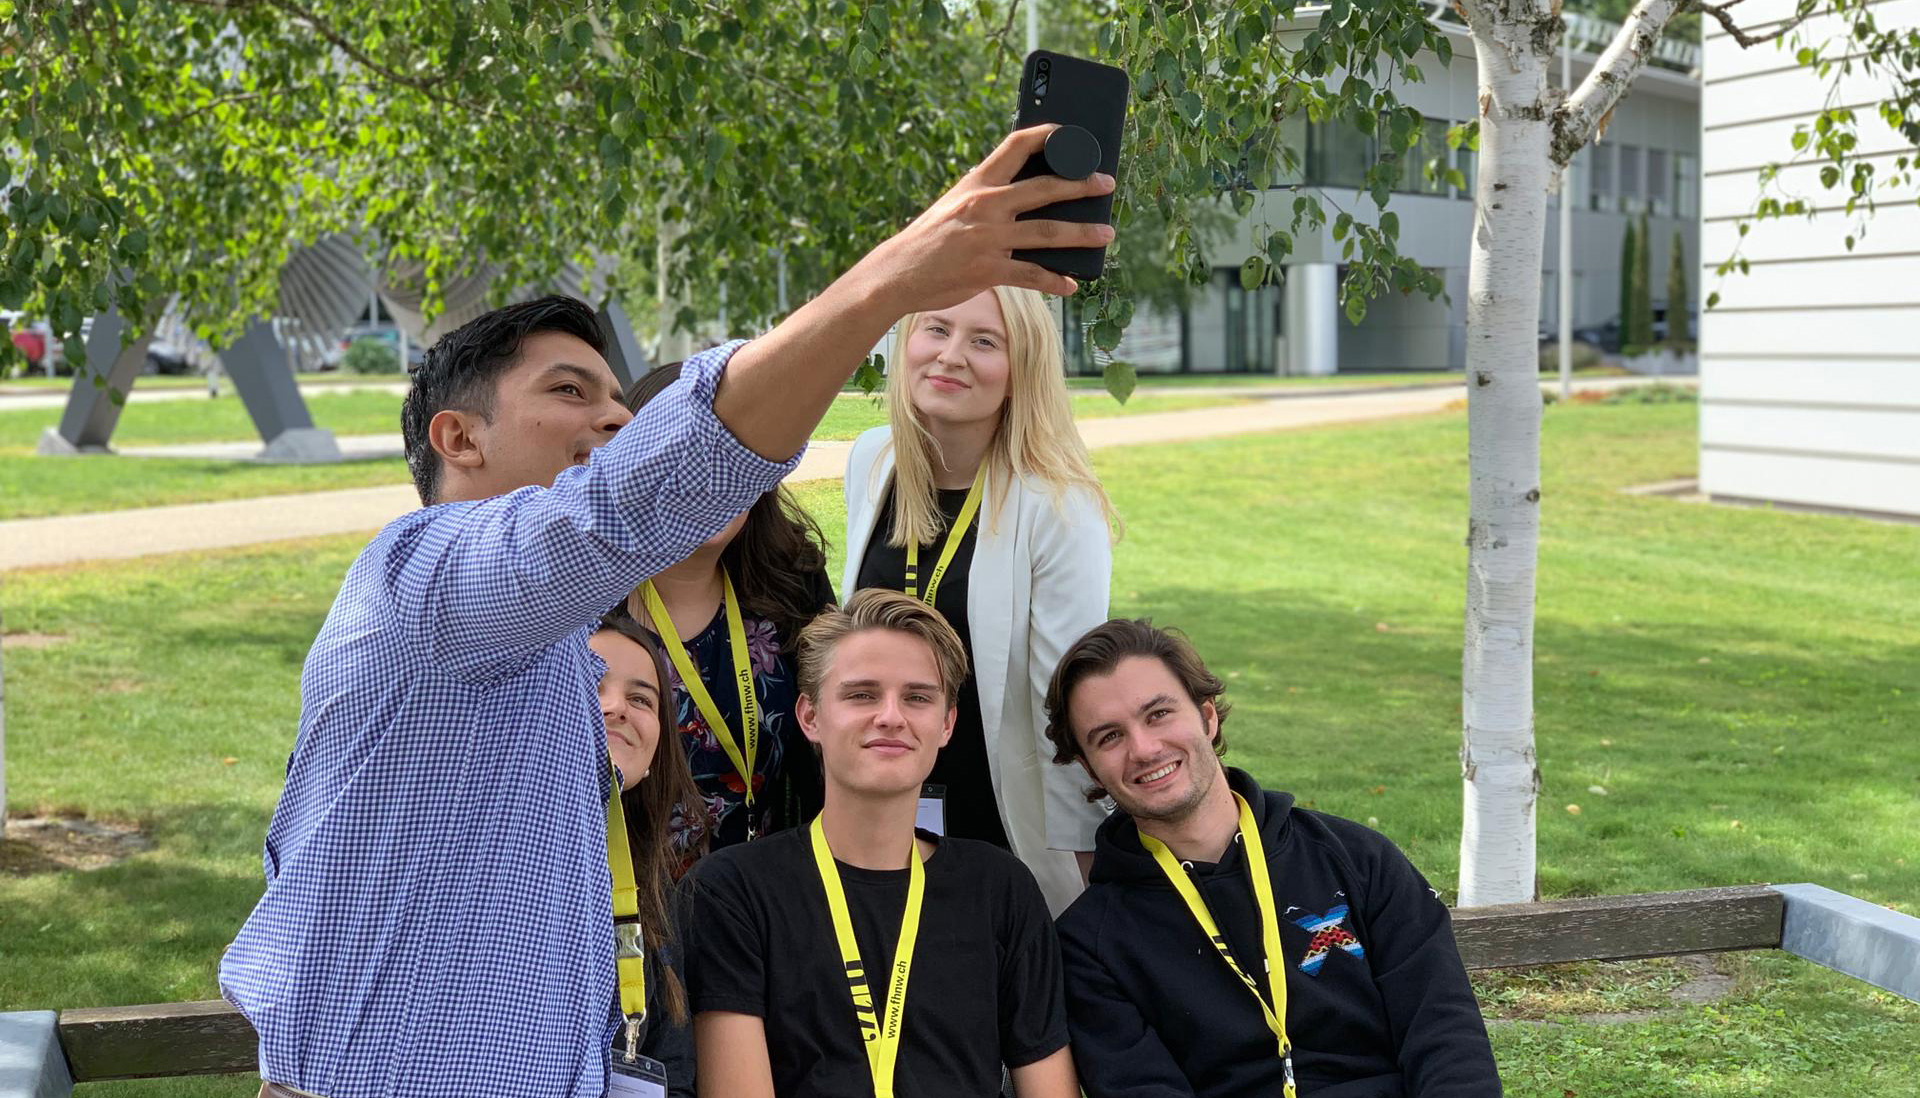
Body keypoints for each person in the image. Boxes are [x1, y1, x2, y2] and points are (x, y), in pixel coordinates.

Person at [217, 124, 1117, 1098]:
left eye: (619, 399)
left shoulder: (558, 647)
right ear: (459, 439)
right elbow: (628, 504)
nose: (615, 418)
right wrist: (889, 285)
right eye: (570, 391)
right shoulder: (426, 581)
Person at [1043, 619, 1503, 1098]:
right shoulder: (1089, 945)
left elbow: (1445, 1036)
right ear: (1088, 767)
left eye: (1158, 714)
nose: (1144, 748)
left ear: (1207, 717)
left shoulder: (1358, 859)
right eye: (1110, 737)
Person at [679, 589, 1078, 1098]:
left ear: (947, 723)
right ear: (810, 717)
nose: (891, 716)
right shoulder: (732, 892)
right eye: (862, 695)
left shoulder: (999, 887)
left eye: (918, 698)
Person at [843, 284, 1115, 914]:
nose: (951, 355)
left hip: (1001, 824)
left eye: (985, 341)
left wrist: (1081, 863)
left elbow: (1066, 697)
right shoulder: (873, 460)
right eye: (937, 329)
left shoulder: (1058, 506)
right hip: (882, 811)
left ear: (1021, 371)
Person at [618, 363, 835, 861]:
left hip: (759, 886)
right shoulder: (580, 603)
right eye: (681, 456)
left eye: (730, 454)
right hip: (614, 890)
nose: (708, 480)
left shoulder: (792, 586)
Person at [590, 615, 704, 1098]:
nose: (617, 707)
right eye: (593, 685)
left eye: (641, 699)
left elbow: (672, 1071)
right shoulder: (485, 859)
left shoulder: (654, 892)